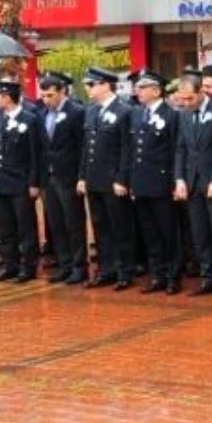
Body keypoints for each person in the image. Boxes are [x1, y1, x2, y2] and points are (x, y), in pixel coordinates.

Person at [174, 74, 212, 298]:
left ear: (202, 92)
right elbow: (180, 148)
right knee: (200, 234)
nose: (186, 103)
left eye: (190, 98)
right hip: (192, 182)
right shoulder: (183, 115)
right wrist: (179, 178)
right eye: (182, 99)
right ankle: (208, 277)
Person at [78, 67, 135, 290]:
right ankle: (106, 268)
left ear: (104, 85)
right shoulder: (91, 111)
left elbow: (126, 148)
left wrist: (122, 178)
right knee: (100, 226)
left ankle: (124, 270)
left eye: (92, 85)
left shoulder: (123, 110)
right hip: (94, 178)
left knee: (119, 226)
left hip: (113, 179)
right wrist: (82, 175)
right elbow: (86, 147)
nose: (89, 89)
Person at [127, 70, 182, 295]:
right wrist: (132, 180)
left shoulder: (172, 115)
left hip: (161, 181)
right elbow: (133, 150)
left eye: (143, 87)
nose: (137, 91)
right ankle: (157, 273)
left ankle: (172, 275)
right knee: (150, 231)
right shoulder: (138, 114)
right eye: (138, 87)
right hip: (141, 181)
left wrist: (174, 181)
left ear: (156, 90)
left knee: (168, 231)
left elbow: (175, 150)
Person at [0, 80, 44, 283]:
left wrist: (34, 182)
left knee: (25, 227)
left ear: (7, 97)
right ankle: (10, 265)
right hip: (1, 180)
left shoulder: (30, 119)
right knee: (5, 227)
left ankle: (28, 267)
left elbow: (36, 154)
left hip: (21, 181)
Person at [37, 72, 87, 285]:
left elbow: (82, 148)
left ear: (62, 92)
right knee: (56, 223)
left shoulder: (76, 112)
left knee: (73, 223)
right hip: (49, 177)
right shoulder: (42, 114)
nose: (46, 100)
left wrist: (81, 176)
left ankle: (79, 266)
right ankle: (64, 263)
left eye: (50, 95)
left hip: (69, 176)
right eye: (43, 96)